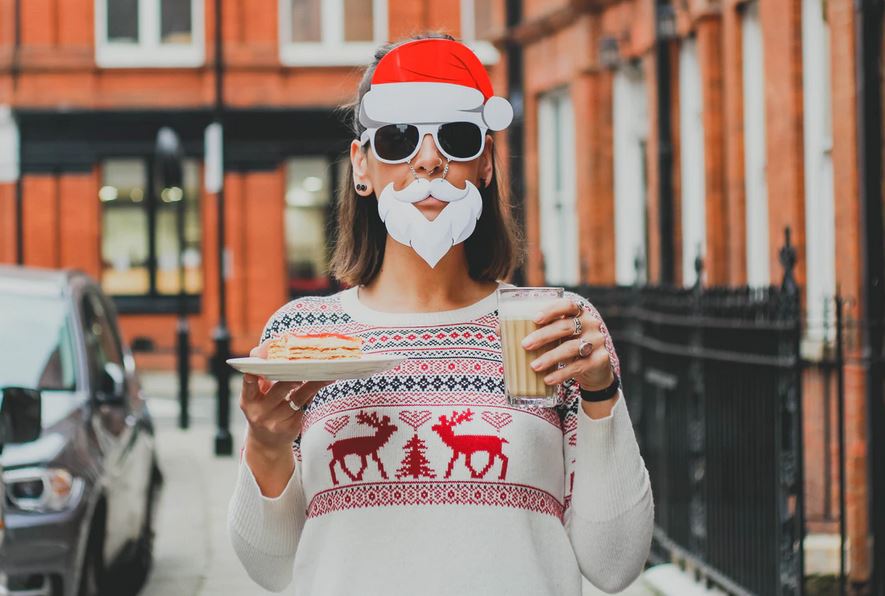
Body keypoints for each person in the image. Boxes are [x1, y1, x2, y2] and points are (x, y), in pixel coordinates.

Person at [228, 33, 653, 595]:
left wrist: (601, 393)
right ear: (362, 166)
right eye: (399, 140)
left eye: (455, 137)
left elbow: (615, 563)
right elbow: (272, 568)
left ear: (485, 165)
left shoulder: (553, 329)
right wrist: (264, 443)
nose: (429, 160)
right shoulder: (305, 336)